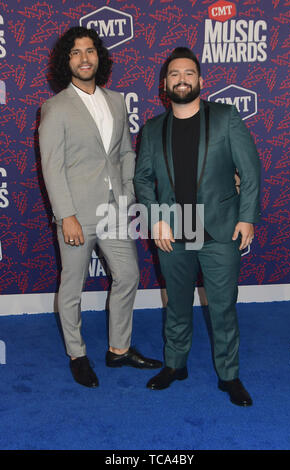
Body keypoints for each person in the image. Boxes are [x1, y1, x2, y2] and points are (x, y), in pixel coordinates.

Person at [134, 47, 260, 406]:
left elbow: (250, 172)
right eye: (174, 74)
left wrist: (247, 216)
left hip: (220, 231)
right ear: (164, 85)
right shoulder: (153, 129)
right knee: (176, 304)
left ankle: (229, 375)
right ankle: (175, 365)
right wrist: (155, 217)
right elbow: (142, 179)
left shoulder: (225, 117)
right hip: (173, 230)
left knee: (222, 307)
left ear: (201, 81)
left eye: (189, 73)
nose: (182, 79)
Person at [39, 26, 162, 388]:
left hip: (114, 211)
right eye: (75, 52)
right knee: (72, 286)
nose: (84, 58)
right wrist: (67, 216)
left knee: (129, 275)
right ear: (67, 61)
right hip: (76, 214)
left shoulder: (116, 101)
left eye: (89, 51)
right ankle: (77, 355)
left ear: (99, 57)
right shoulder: (55, 107)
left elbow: (125, 153)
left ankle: (118, 349)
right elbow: (52, 166)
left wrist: (127, 199)